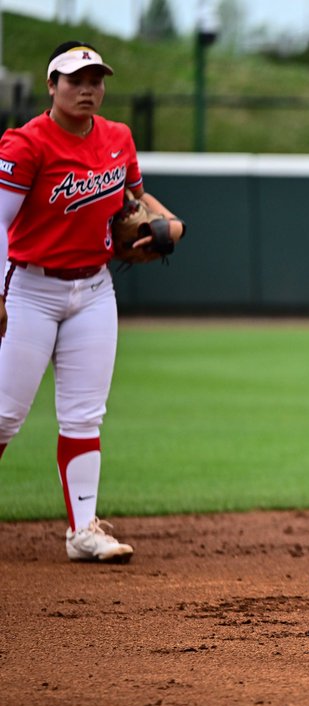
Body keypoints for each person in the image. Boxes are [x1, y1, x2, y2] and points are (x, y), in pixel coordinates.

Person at [0, 41, 186, 562]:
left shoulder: (117, 137)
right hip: (31, 289)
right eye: (75, 80)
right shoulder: (25, 143)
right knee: (3, 416)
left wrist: (168, 221)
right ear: (51, 84)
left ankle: (83, 530)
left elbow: (134, 199)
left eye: (96, 80)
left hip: (93, 290)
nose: (87, 89)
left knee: (84, 416)